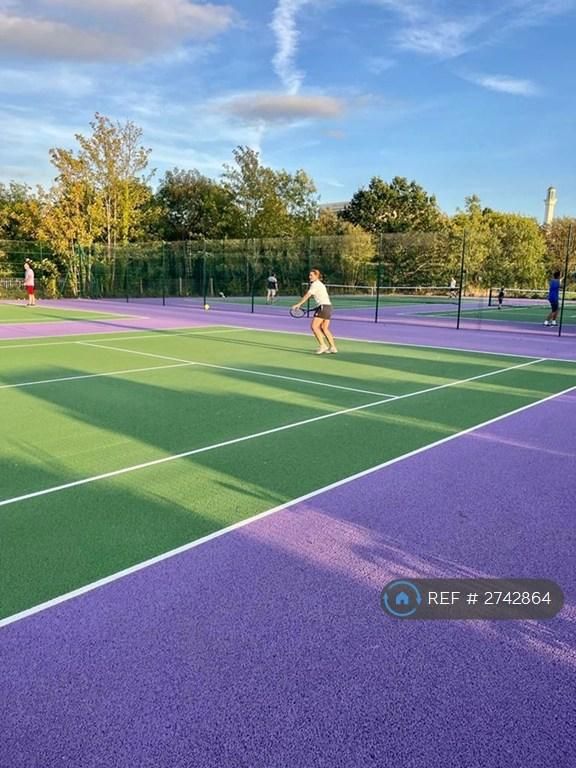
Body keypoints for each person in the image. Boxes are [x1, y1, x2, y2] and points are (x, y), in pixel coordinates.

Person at [292, 268, 337, 354]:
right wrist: (318, 308)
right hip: (328, 307)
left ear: (317, 276)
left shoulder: (315, 284)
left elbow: (308, 295)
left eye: (311, 275)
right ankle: (333, 347)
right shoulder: (320, 284)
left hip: (323, 307)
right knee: (324, 328)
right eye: (309, 275)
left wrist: (299, 304)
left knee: (314, 327)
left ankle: (323, 346)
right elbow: (323, 299)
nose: (309, 277)